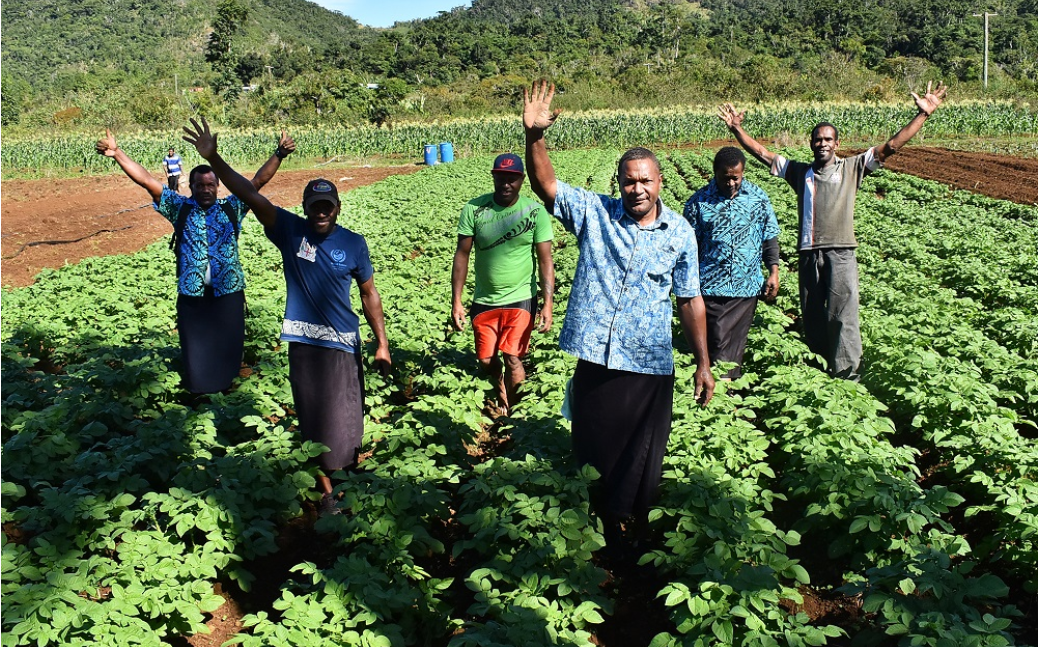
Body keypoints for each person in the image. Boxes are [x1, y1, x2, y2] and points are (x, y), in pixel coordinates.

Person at [523, 81, 715, 555]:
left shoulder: (680, 233)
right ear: (619, 182)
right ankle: (602, 534)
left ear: (660, 182)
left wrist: (704, 362)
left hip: (649, 361)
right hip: (597, 354)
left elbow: (690, 300)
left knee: (643, 456)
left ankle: (639, 532)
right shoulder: (596, 214)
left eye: (645, 180)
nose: (637, 188)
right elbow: (546, 185)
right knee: (594, 448)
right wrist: (534, 138)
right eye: (629, 180)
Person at [182, 117, 391, 516]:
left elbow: (369, 293)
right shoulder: (290, 231)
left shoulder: (354, 243)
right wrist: (215, 159)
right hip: (303, 344)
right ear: (306, 208)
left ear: (337, 208)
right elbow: (249, 193)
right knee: (313, 417)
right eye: (315, 207)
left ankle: (346, 481)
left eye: (327, 207)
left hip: (342, 343)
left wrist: (382, 343)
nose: (321, 214)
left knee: (347, 420)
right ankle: (329, 492)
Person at [718, 81, 947, 380]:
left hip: (841, 253)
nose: (823, 143)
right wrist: (736, 130)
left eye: (828, 139)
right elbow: (762, 153)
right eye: (818, 139)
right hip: (808, 253)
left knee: (844, 317)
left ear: (837, 144)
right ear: (811, 144)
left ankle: (848, 376)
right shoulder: (800, 172)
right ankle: (818, 372)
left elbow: (891, 146)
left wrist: (923, 115)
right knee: (812, 317)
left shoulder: (853, 167)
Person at [95, 127, 296, 394]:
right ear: (190, 187)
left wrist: (280, 154)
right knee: (196, 349)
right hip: (193, 293)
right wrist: (117, 153)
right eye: (199, 185)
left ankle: (226, 395)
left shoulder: (232, 207)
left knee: (228, 346)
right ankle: (199, 394)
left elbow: (258, 181)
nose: (205, 190)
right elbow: (145, 180)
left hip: (229, 291)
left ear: (217, 186)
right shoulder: (179, 207)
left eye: (210, 185)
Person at [450, 153, 555, 416]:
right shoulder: (474, 209)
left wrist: (548, 304)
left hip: (521, 298)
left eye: (513, 178)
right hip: (484, 299)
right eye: (501, 177)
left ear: (521, 180)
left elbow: (545, 261)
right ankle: (501, 391)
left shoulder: (534, 212)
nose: (506, 183)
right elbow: (462, 255)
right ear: (494, 177)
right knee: (486, 360)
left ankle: (517, 415)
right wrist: (457, 301)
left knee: (513, 356)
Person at [682, 146, 780, 380]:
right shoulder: (698, 202)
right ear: (714, 173)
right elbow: (687, 247)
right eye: (725, 178)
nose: (731, 183)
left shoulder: (757, 198)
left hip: (746, 287)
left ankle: (728, 394)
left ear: (743, 173)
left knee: (734, 347)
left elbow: (769, 236)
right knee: (716, 342)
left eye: (736, 177)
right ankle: (717, 393)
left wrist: (773, 271)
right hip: (710, 286)